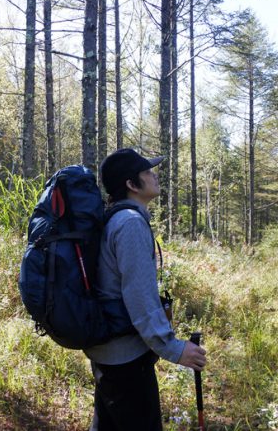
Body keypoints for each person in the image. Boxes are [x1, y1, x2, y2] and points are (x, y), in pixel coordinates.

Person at [84, 148, 207, 431]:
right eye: (147, 172)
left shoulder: (114, 219)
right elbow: (139, 297)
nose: (154, 176)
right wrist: (174, 349)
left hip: (108, 353)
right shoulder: (129, 224)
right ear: (131, 184)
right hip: (126, 361)